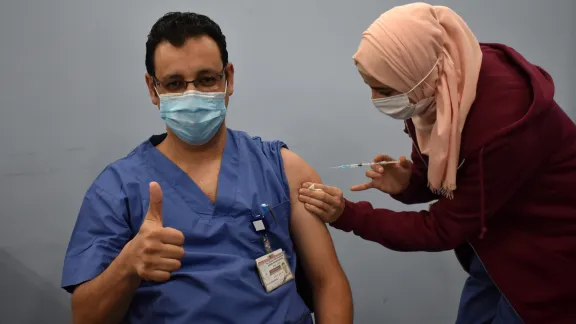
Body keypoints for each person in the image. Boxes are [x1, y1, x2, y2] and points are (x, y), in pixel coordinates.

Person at [61, 12, 353, 324]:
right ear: (152, 89)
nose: (192, 95)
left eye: (206, 79)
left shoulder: (284, 169)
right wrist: (128, 266)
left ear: (229, 78)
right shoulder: (117, 189)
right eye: (174, 83)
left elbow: (328, 284)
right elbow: (85, 317)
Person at [298, 3, 576, 324]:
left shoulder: (502, 128)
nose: (376, 99)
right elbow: (455, 175)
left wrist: (347, 214)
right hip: (494, 251)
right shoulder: (441, 82)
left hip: (546, 263)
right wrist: (410, 181)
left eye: (385, 90)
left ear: (417, 75)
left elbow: (441, 228)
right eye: (370, 85)